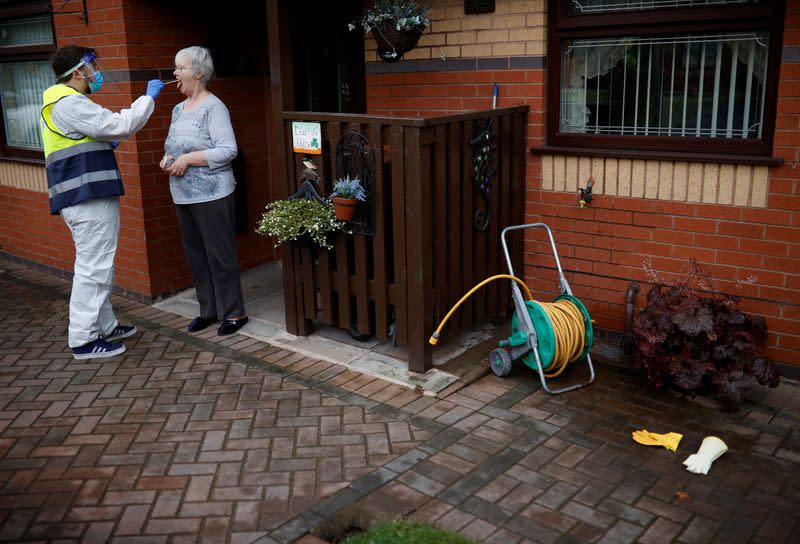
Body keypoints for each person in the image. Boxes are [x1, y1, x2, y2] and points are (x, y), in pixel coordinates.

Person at [40, 45, 164, 359]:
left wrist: (104, 140)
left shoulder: (63, 101)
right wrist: (147, 99)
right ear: (78, 72)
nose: (97, 73)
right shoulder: (69, 102)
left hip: (87, 195)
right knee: (93, 267)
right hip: (86, 197)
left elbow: (92, 136)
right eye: (92, 67)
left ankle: (104, 325)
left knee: (99, 265)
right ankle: (83, 339)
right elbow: (118, 125)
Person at [159, 46, 248, 336]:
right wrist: (169, 158)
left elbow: (228, 150)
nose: (175, 74)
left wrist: (188, 159)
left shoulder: (214, 107)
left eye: (180, 68)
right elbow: (173, 145)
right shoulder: (177, 109)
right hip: (182, 194)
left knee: (220, 255)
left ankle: (234, 313)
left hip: (213, 193)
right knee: (196, 255)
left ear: (198, 72)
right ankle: (207, 310)